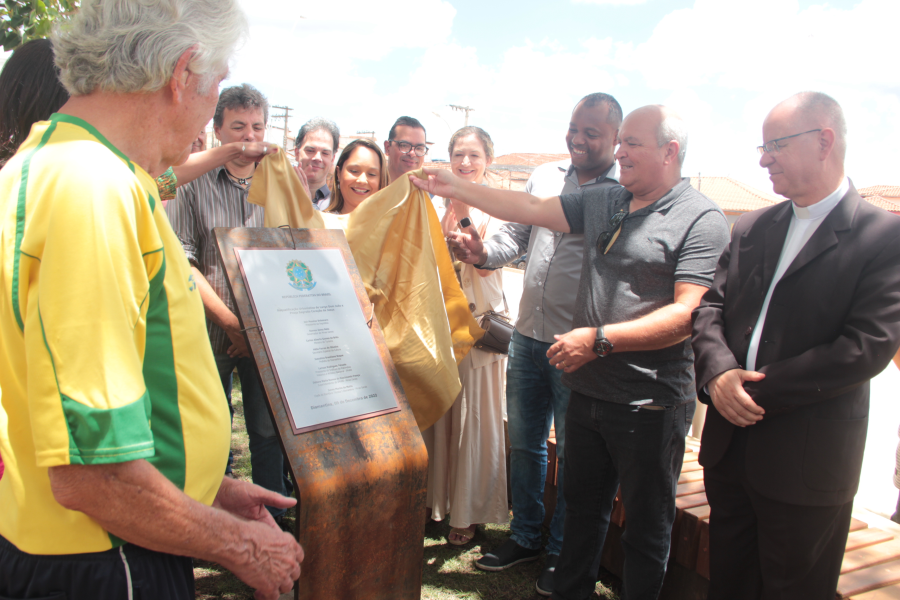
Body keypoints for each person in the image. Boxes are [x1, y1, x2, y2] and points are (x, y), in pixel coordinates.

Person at [0, 1, 304, 599]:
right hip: (108, 556)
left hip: (93, 541)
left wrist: (204, 487)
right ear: (182, 72)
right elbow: (95, 473)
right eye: (215, 88)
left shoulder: (55, 163)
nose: (205, 118)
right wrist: (239, 545)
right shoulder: (92, 187)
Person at [411, 104, 730, 600]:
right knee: (582, 511)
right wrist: (453, 186)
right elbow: (531, 211)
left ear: (670, 152)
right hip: (588, 390)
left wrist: (600, 339)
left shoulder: (702, 219)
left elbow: (688, 312)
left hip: (650, 402)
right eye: (619, 141)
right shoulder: (606, 199)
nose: (619, 151)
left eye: (631, 144)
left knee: (648, 529)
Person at [691, 92, 900, 599]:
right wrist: (719, 375)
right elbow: (709, 310)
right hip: (730, 454)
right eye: (762, 147)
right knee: (731, 585)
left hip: (807, 463)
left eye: (776, 145)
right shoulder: (752, 226)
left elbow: (866, 346)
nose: (763, 159)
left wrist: (749, 391)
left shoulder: (883, 235)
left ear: (824, 140)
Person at [450, 93, 622, 592]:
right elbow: (515, 240)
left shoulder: (622, 191)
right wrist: (483, 253)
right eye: (574, 128)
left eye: (592, 132)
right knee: (525, 446)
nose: (578, 139)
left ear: (614, 136)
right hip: (526, 337)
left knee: (572, 453)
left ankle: (559, 550)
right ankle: (524, 535)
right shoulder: (544, 176)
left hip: (578, 347)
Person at [166, 83, 294, 522]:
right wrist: (230, 324)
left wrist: (255, 330)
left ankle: (271, 519)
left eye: (257, 126)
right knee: (210, 433)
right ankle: (207, 520)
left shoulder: (279, 180)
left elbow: (291, 254)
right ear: (217, 129)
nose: (249, 136)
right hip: (208, 331)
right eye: (238, 126)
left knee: (266, 432)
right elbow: (183, 261)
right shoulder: (191, 180)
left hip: (268, 334)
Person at [424, 126, 509, 546]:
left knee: (475, 422)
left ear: (488, 161)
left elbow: (489, 265)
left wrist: (463, 215)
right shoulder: (433, 206)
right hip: (440, 328)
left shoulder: (495, 208)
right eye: (459, 154)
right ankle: (436, 501)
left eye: (474, 155)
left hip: (479, 330)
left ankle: (469, 512)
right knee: (441, 418)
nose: (465, 163)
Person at [323, 137, 389, 215]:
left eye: (372, 174)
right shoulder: (321, 223)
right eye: (354, 171)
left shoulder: (393, 225)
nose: (362, 180)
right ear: (339, 173)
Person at [294, 117, 339, 210]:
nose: (317, 158)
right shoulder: (276, 196)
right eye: (310, 150)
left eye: (325, 153)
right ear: (297, 153)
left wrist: (308, 204)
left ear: (332, 159)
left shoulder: (338, 206)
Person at [384, 115, 428, 183]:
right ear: (387, 148)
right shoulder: (368, 189)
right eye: (404, 145)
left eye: (419, 148)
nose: (412, 153)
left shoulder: (428, 192)